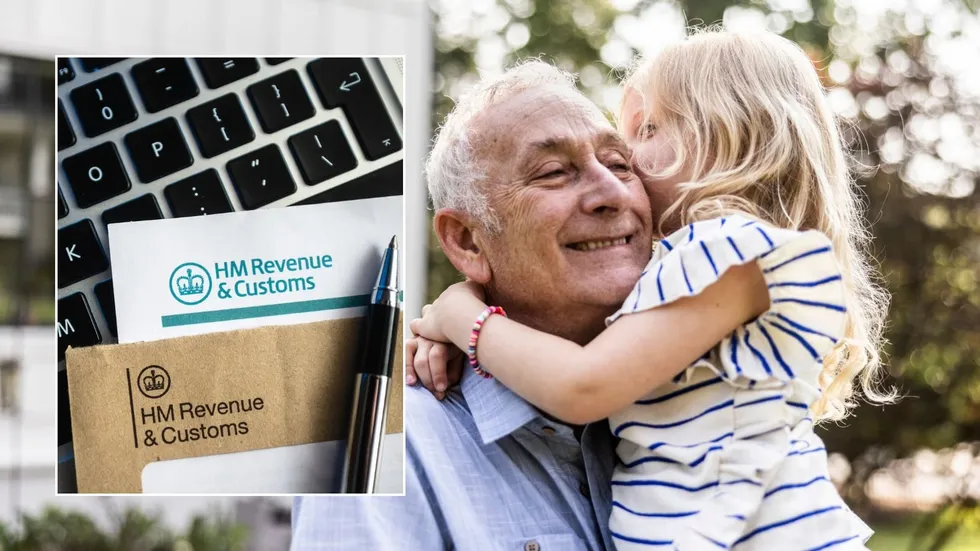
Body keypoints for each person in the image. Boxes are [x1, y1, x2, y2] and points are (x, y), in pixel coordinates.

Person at [410, 29, 893, 550]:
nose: (622, 179)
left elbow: (582, 385)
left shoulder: (724, 252)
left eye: (638, 138)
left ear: (725, 140)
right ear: (465, 241)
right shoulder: (693, 264)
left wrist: (460, 316)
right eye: (555, 172)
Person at [291, 61, 654, 550]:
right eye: (553, 172)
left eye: (619, 164)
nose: (612, 192)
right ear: (467, 243)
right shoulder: (384, 448)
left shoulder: (713, 386)